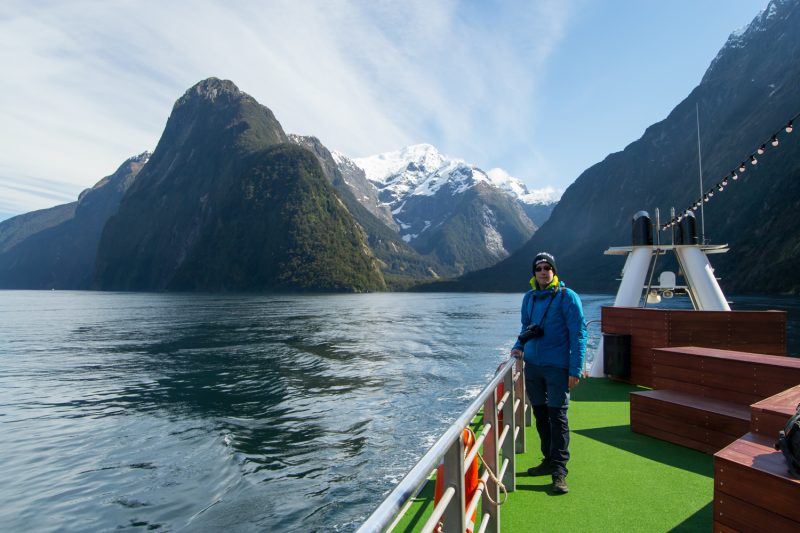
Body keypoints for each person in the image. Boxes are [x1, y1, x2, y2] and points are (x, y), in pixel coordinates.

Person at [510, 251, 586, 494]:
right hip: (533, 367)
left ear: (554, 271)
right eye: (539, 268)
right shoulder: (529, 298)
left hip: (557, 367)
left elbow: (578, 334)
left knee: (558, 417)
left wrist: (575, 368)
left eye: (547, 267)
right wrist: (518, 346)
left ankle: (559, 471)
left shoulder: (567, 297)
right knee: (541, 416)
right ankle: (547, 460)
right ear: (534, 273)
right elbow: (526, 328)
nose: (543, 271)